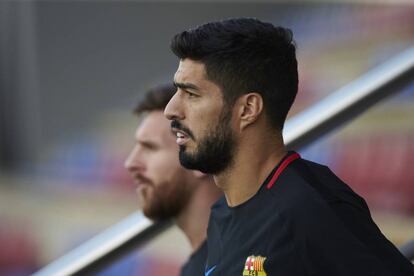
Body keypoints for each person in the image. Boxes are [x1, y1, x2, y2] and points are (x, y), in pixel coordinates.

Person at [164, 18, 414, 275]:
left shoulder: (311, 211)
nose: (170, 110)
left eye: (191, 94)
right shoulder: (222, 211)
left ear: (248, 109)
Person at [124, 84, 221, 276]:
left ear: (197, 157)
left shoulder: (242, 260)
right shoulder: (201, 266)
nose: (131, 163)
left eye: (150, 147)